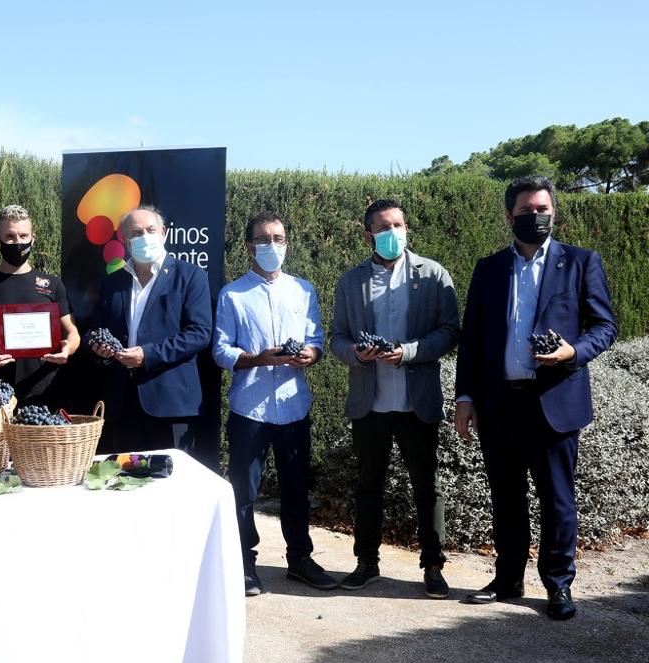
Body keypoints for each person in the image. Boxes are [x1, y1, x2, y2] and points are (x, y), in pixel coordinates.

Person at [455, 175, 617, 620]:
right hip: (499, 403)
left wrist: (572, 353)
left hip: (554, 402)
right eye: (526, 211)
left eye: (543, 209)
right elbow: (472, 340)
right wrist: (465, 398)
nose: (536, 216)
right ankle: (508, 579)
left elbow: (604, 327)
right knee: (505, 498)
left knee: (557, 499)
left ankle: (558, 585)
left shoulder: (580, 262)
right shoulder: (488, 269)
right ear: (509, 216)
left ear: (554, 212)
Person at [330, 199, 459, 598]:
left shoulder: (433, 274)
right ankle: (367, 562)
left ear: (406, 228)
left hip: (417, 400)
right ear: (368, 234)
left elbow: (450, 331)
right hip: (370, 402)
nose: (393, 233)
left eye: (398, 225)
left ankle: (433, 566)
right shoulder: (350, 281)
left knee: (427, 486)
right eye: (384, 227)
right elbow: (336, 338)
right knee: (368, 484)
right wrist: (356, 353)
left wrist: (409, 351)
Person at [214, 212, 335, 596]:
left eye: (278, 238)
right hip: (249, 408)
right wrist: (260, 358)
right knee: (244, 491)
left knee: (297, 488)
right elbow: (220, 350)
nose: (272, 245)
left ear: (287, 242)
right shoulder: (232, 294)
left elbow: (316, 340)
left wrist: (310, 356)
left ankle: (299, 559)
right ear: (249, 245)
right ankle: (244, 563)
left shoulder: (304, 290)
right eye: (263, 239)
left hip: (293, 406)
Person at [89, 206, 212, 454]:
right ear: (125, 240)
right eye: (136, 232)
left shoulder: (190, 276)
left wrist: (148, 355)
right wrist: (98, 349)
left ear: (163, 233)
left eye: (150, 230)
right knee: (128, 481)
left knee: (173, 483)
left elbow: (199, 333)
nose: (144, 236)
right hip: (123, 403)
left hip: (170, 402)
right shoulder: (112, 282)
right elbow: (95, 329)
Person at [0, 204, 80, 407]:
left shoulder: (52, 285)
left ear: (33, 238)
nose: (18, 242)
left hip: (46, 392)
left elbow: (72, 332)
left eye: (23, 236)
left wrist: (67, 349)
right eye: (9, 237)